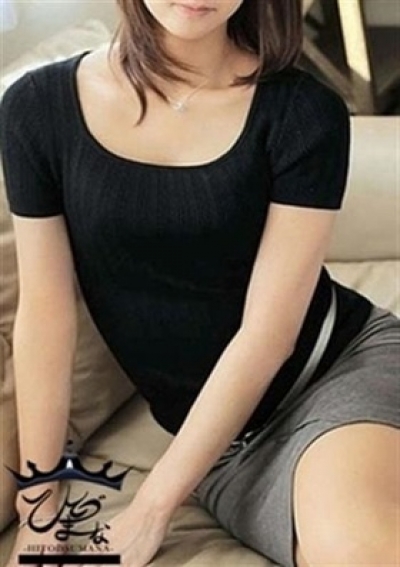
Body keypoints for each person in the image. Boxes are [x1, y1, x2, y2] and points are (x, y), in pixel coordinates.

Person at [1, 1, 399, 566]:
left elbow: (269, 335)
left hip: (328, 375)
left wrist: (150, 508)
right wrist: (38, 508)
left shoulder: (303, 112)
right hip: (216, 443)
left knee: (354, 549)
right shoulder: (36, 110)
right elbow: (45, 317)